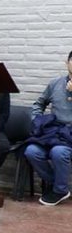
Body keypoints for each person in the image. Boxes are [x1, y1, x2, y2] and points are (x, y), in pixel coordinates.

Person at [24, 50, 72, 206]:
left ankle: (59, 190)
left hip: (70, 136)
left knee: (59, 152)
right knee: (31, 151)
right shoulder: (55, 84)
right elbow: (39, 103)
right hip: (54, 132)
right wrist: (38, 120)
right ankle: (57, 185)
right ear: (67, 63)